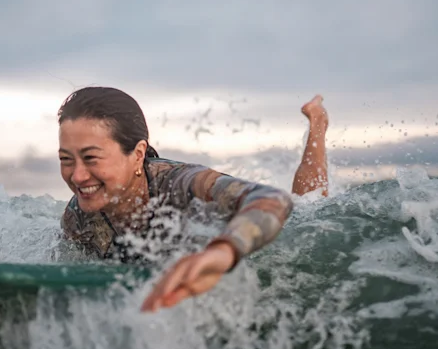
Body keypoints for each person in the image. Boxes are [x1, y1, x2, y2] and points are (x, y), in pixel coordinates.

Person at [56, 87, 329, 313]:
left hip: (259, 235)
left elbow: (274, 200)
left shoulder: (180, 182)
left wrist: (223, 251)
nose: (77, 176)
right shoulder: (78, 218)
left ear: (138, 154)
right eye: (66, 160)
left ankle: (318, 123)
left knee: (308, 204)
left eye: (91, 158)